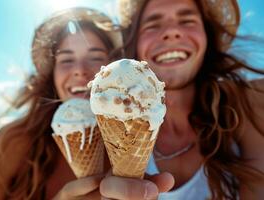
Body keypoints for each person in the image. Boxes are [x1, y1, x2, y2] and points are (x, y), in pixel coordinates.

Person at [99, 0, 264, 199]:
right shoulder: (106, 135)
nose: (171, 32)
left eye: (187, 21)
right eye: (153, 24)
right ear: (135, 45)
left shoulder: (251, 101)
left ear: (207, 37)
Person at [0, 7, 123, 199]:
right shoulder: (15, 140)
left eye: (95, 58)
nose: (80, 70)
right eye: (66, 60)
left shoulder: (135, 148)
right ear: (52, 76)